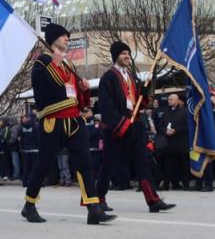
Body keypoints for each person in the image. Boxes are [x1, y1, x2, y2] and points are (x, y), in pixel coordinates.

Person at [21, 23, 115, 225]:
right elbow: (47, 86)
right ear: (53, 38)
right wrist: (55, 64)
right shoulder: (42, 62)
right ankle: (29, 204)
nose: (67, 39)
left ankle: (93, 208)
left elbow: (75, 97)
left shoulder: (68, 64)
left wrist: (83, 88)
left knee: (85, 164)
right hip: (53, 120)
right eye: (64, 36)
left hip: (74, 119)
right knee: (44, 164)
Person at [96, 41, 174, 212]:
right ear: (116, 55)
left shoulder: (130, 75)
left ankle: (153, 200)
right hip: (116, 128)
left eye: (128, 53)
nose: (127, 56)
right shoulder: (108, 77)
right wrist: (122, 124)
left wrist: (143, 95)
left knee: (142, 162)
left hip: (134, 124)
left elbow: (137, 101)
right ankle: (99, 199)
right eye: (124, 53)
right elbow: (107, 108)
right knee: (109, 164)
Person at [158, 93, 190, 190]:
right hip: (168, 144)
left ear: (177, 100)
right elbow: (160, 126)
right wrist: (165, 131)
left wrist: (175, 130)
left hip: (180, 143)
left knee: (183, 165)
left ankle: (185, 184)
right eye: (168, 99)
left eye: (171, 99)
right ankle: (168, 184)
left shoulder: (184, 112)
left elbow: (187, 126)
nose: (169, 101)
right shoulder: (166, 112)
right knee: (168, 166)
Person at [19, 114, 40, 188]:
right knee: (35, 167)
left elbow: (21, 138)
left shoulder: (23, 127)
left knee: (26, 167)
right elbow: (38, 138)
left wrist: (22, 147)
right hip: (35, 150)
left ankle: (25, 182)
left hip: (26, 150)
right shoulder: (36, 126)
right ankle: (34, 182)